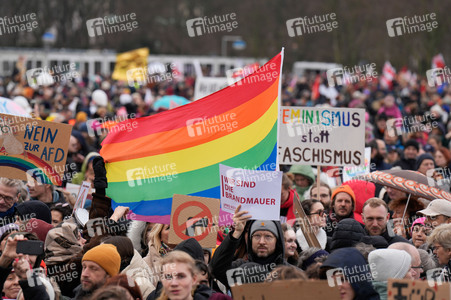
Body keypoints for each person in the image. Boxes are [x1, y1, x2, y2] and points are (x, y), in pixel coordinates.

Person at [210, 205, 287, 290]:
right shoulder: (240, 269)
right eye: (257, 236)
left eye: (268, 236)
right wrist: (236, 233)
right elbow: (216, 269)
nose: (262, 242)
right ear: (250, 240)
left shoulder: (290, 273)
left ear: (277, 241)